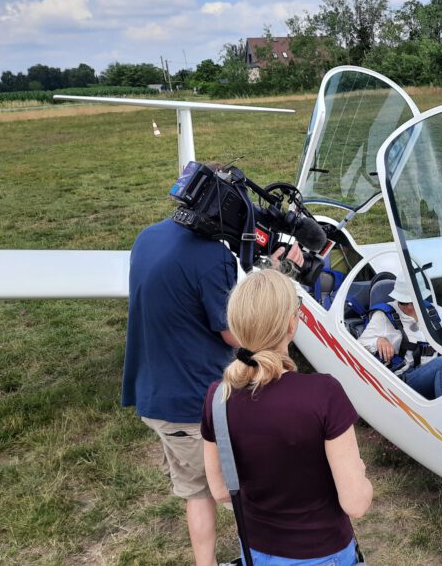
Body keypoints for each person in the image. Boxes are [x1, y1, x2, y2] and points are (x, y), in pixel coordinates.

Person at [122, 188, 303, 566]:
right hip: (192, 402)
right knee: (232, 490)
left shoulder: (148, 236)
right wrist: (276, 277)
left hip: (155, 389)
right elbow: (238, 335)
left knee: (196, 492)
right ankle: (255, 558)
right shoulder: (211, 257)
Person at [202, 268, 372, 565]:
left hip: (256, 551)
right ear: (291, 325)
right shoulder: (324, 393)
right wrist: (361, 474)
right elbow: (356, 504)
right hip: (323, 553)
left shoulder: (218, 397)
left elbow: (219, 491)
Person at [357, 274, 442, 399]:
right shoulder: (384, 315)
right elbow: (359, 344)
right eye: (404, 302)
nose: (409, 307)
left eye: (414, 301)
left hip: (436, 376)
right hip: (406, 382)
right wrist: (378, 340)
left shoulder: (431, 311)